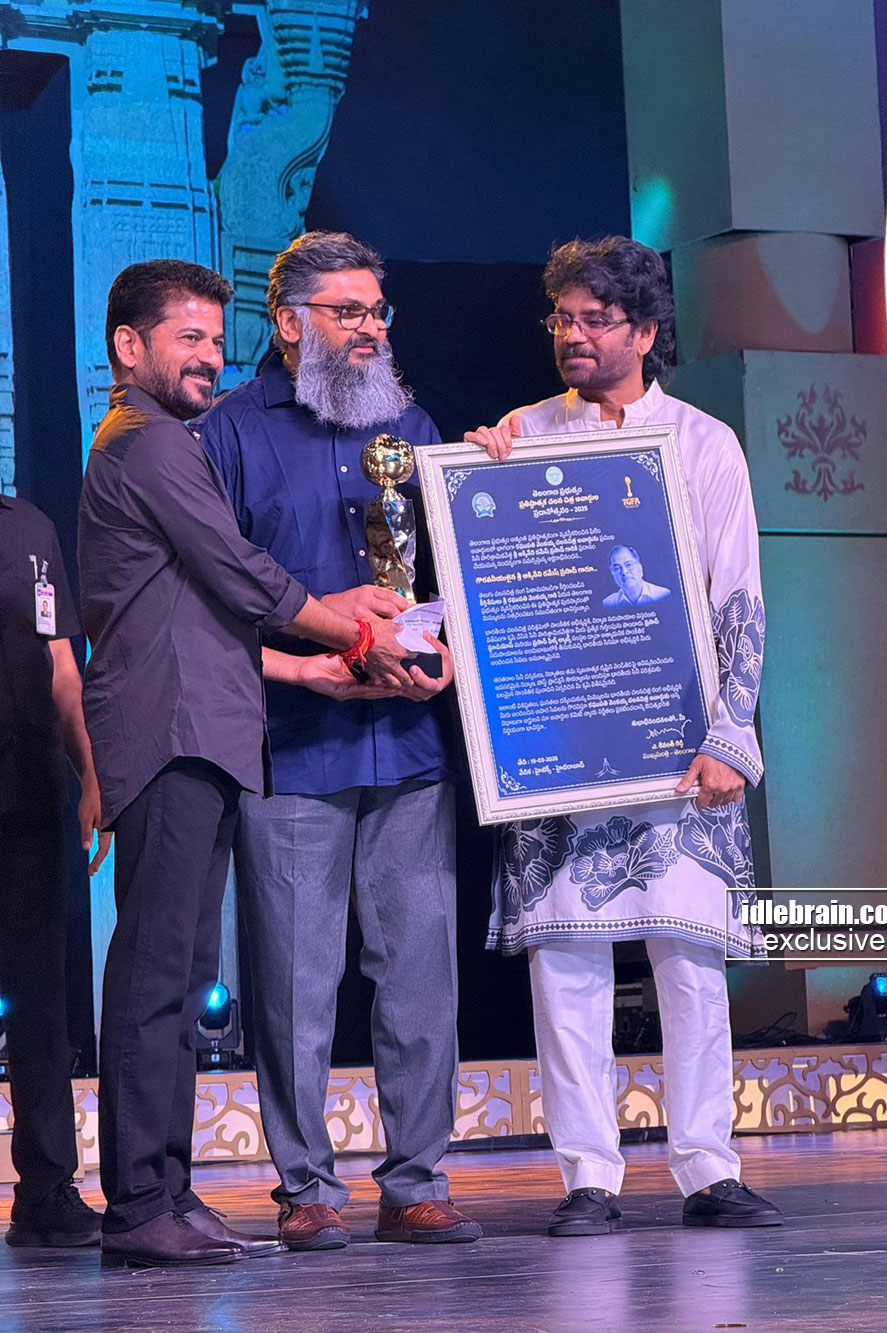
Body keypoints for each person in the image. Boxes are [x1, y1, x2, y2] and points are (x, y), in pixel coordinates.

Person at [79, 259, 414, 1269]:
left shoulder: (157, 441)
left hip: (205, 728)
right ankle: (139, 1203)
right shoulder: (146, 443)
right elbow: (242, 574)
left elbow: (209, 600)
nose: (209, 358)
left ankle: (167, 1190)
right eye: (188, 338)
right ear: (129, 345)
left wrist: (316, 652)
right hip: (171, 731)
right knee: (156, 978)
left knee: (184, 977)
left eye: (216, 341)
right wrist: (353, 632)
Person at [465, 236, 782, 1236]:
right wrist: (472, 487)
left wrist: (730, 736)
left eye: (595, 319)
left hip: (678, 744)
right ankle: (587, 1177)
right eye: (561, 317)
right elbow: (492, 579)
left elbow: (737, 595)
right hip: (563, 743)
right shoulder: (520, 435)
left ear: (645, 332)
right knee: (565, 960)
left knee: (688, 956)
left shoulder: (702, 442)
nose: (572, 334)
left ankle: (708, 1167)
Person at [197, 231, 482, 1250]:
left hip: (407, 744)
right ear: (287, 322)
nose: (369, 329)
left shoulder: (411, 424)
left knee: (420, 975)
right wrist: (311, 656)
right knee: (293, 981)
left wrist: (443, 648)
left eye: (376, 312)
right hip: (292, 742)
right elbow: (209, 599)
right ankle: (306, 1186)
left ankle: (418, 1181)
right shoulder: (228, 435)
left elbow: (455, 573)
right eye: (346, 311)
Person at [0, 495, 109, 1247]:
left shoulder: (31, 527)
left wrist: (90, 772)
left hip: (28, 792)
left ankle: (45, 1192)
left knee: (41, 1000)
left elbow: (63, 664)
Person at [602, 544, 670, 607]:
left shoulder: (663, 595)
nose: (624, 572)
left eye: (628, 565)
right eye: (617, 568)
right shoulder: (609, 603)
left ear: (640, 568)